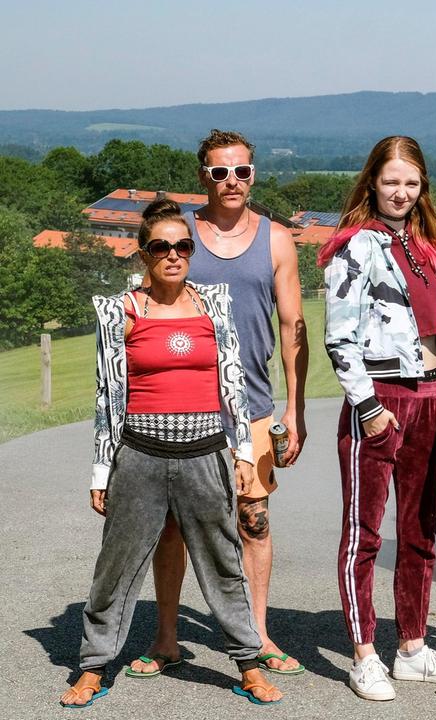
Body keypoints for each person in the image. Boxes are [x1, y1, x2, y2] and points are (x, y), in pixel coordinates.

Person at [59, 199, 283, 708]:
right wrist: (100, 471)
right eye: (161, 246)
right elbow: (107, 397)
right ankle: (93, 667)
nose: (174, 255)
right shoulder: (120, 310)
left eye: (183, 246)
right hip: (138, 455)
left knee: (224, 563)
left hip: (205, 455)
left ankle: (248, 665)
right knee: (115, 566)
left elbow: (233, 385)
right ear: (144, 254)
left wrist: (243, 452)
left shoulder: (214, 305)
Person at [129, 129, 309, 679]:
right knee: (173, 525)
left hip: (252, 406)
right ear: (202, 176)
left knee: (253, 520)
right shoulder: (181, 238)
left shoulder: (276, 239)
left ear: (254, 174)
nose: (232, 181)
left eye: (242, 171)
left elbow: (292, 327)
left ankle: (256, 636)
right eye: (219, 172)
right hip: (183, 408)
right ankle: (166, 638)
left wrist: (294, 409)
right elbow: (147, 307)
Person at [319, 136, 436, 701]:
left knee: (421, 532)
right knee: (365, 533)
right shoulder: (355, 247)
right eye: (391, 181)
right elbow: (338, 338)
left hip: (434, 398)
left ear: (422, 187)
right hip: (380, 402)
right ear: (373, 182)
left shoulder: (435, 249)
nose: (401, 192)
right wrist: (368, 407)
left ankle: (413, 647)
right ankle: (365, 653)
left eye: (412, 182)